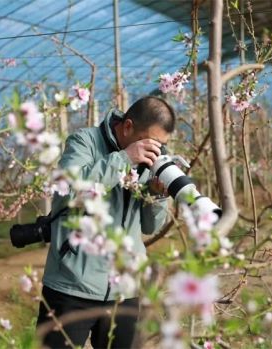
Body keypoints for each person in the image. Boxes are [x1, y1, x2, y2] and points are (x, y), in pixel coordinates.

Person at [36, 96, 175, 348]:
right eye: (151, 142)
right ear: (128, 126)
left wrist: (157, 194)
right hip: (72, 285)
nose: (156, 150)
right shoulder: (84, 141)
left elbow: (150, 227)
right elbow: (69, 190)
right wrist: (124, 159)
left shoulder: (152, 160)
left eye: (162, 145)